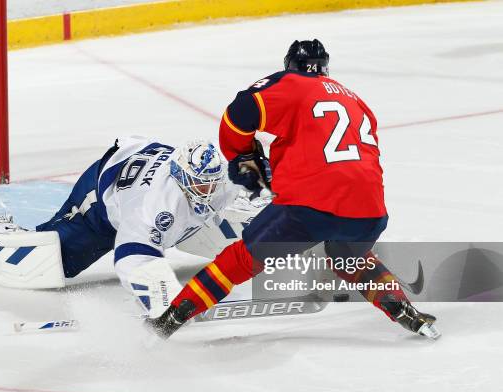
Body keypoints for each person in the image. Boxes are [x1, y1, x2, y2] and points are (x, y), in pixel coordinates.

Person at [146, 39, 440, 339]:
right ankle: (403, 309)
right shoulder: (356, 100)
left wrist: (242, 154)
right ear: (325, 68)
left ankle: (169, 320)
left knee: (239, 259)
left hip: (310, 205)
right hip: (371, 210)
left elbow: (241, 110)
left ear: (290, 66)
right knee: (347, 257)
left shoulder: (291, 82)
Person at [37, 136, 235, 316]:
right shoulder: (155, 204)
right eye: (200, 184)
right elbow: (133, 255)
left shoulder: (218, 173)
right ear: (180, 177)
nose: (208, 191)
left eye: (212, 183)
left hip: (142, 156)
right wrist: (166, 302)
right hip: (99, 204)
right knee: (55, 262)